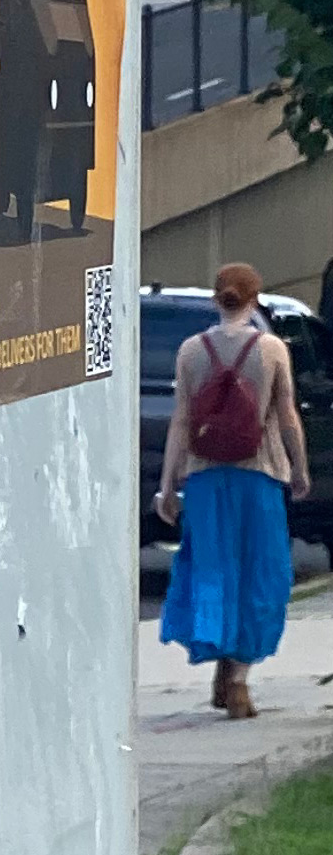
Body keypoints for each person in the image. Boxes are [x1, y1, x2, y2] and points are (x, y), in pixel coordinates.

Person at [158, 261, 311, 717]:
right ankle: (239, 679)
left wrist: (168, 485)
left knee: (214, 570)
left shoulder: (191, 350)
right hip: (259, 476)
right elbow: (286, 414)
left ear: (215, 298)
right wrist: (299, 468)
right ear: (255, 299)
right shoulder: (272, 349)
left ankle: (221, 660)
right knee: (261, 574)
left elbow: (181, 421)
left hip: (205, 478)